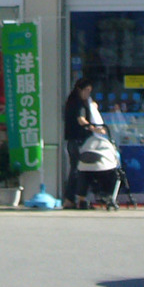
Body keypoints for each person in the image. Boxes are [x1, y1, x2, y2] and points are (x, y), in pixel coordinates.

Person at [63, 78, 101, 208]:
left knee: (79, 170)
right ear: (79, 89)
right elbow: (81, 120)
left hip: (77, 140)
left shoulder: (79, 101)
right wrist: (93, 128)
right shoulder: (76, 102)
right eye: (86, 90)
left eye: (90, 91)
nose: (88, 93)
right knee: (77, 170)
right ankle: (72, 199)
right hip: (77, 140)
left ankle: (78, 198)